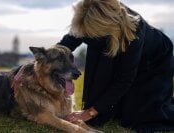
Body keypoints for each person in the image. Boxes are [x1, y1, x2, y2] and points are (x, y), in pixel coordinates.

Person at [57, 0, 174, 132]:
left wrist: (90, 112)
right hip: (118, 45)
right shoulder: (85, 16)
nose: (86, 35)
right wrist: (44, 60)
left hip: (155, 58)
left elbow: (123, 80)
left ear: (104, 28)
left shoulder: (133, 31)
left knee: (141, 116)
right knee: (115, 112)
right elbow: (65, 44)